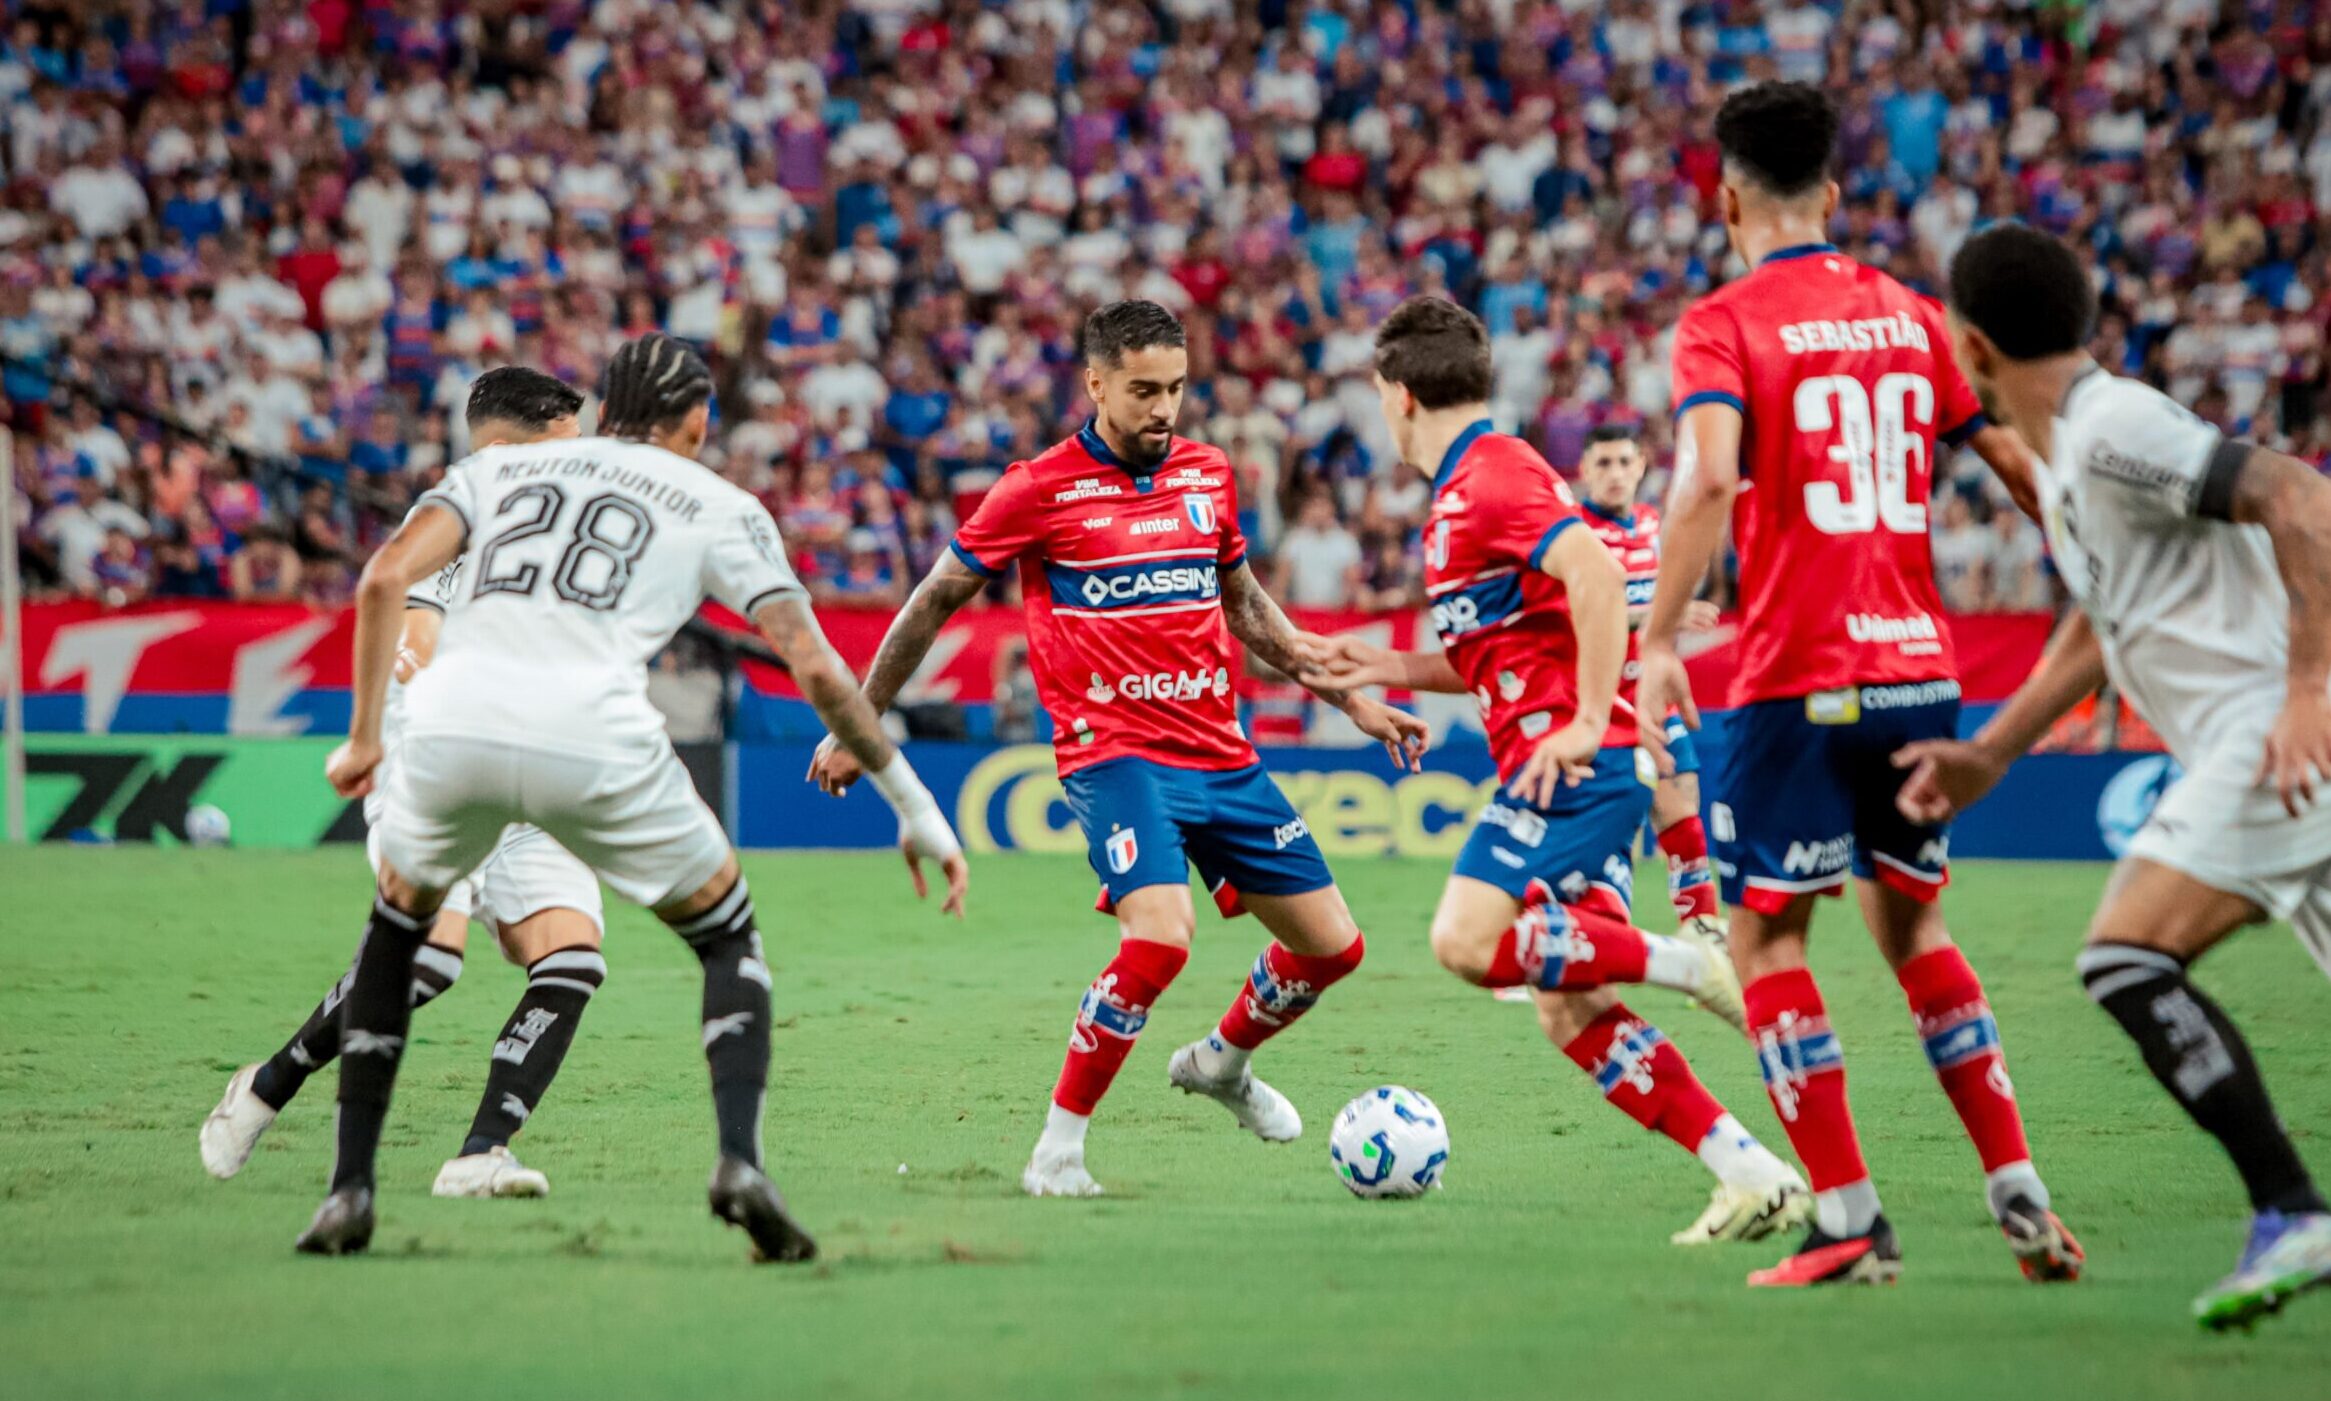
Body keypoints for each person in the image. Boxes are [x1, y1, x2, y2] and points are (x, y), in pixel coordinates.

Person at [293, 335, 968, 1259]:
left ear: (604, 408)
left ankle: (349, 1192)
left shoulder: (496, 473)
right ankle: (739, 1163)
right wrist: (912, 800)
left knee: (397, 934)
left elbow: (380, 580)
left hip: (453, 728)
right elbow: (811, 663)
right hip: (594, 739)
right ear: (697, 424)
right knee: (727, 935)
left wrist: (367, 737)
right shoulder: (718, 501)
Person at [809, 301, 1430, 1198]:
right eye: (1143, 389)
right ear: (1095, 383)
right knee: (1161, 939)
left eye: (1176, 388)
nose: (1162, 408)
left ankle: (1219, 1062)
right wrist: (856, 727)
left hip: (1220, 753)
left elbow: (1247, 608)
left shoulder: (1208, 474)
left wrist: (1354, 700)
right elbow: (934, 599)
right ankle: (1057, 1150)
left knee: (1334, 948)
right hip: (1115, 756)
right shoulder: (1038, 487)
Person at [1637, 82, 2081, 1287]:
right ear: (1832, 196)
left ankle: (1847, 1220)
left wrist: (1663, 634)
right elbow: (2011, 458)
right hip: (1919, 674)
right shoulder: (1911, 316)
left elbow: (1709, 481)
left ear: (1725, 199)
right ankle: (2016, 1184)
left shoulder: (1722, 324)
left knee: (1767, 939)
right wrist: (2097, 572)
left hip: (1796, 676)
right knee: (1915, 921)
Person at [1297, 297, 1807, 1245]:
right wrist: (1392, 666)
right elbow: (1504, 647)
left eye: (1377, 395)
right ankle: (1750, 1173)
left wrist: (1582, 722)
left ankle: (1690, 961)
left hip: (1575, 764)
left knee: (1463, 939)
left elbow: (1597, 576)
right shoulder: (1459, 493)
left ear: (1397, 394)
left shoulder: (1491, 473)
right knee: (1567, 1004)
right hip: (1557, 759)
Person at [1905, 222, 2331, 1330]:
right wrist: (1994, 753)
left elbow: (2300, 496)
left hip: (2276, 738)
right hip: (2269, 747)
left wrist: (2308, 691)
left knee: (2124, 953)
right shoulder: (2067, 464)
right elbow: (2103, 628)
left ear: (1973, 344)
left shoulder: (2112, 426)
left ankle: (2292, 1209)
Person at [203, 368, 614, 1201]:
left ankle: (481, 1152)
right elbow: (412, 629)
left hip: (534, 776)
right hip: (436, 762)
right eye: (565, 446)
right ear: (506, 446)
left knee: (570, 956)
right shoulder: (448, 516)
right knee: (430, 964)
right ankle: (268, 1084)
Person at [1571, 424, 1725, 930]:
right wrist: (1664, 614)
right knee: (1599, 833)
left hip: (1653, 697)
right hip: (1599, 703)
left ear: (1641, 467)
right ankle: (1545, 937)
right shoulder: (1575, 535)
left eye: (1624, 462)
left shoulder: (1653, 526)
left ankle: (1703, 936)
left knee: (1684, 813)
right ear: (1584, 472)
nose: (1615, 474)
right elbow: (1577, 616)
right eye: (1603, 463)